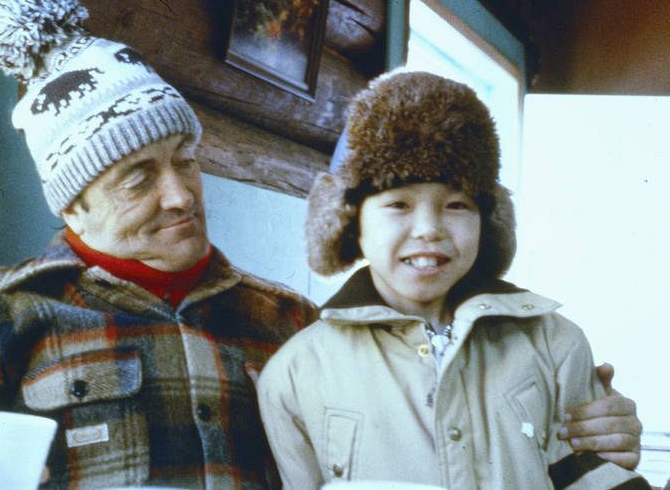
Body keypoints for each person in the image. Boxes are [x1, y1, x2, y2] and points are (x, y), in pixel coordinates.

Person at [0, 0, 641, 490]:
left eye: (186, 161)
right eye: (139, 177)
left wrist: (581, 422)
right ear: (75, 208)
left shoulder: (291, 322)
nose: (180, 195)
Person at [257, 70, 650, 489]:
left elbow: (598, 476)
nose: (429, 228)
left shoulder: (555, 344)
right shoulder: (295, 375)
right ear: (350, 222)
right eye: (399, 204)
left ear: (488, 221)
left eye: (457, 204)